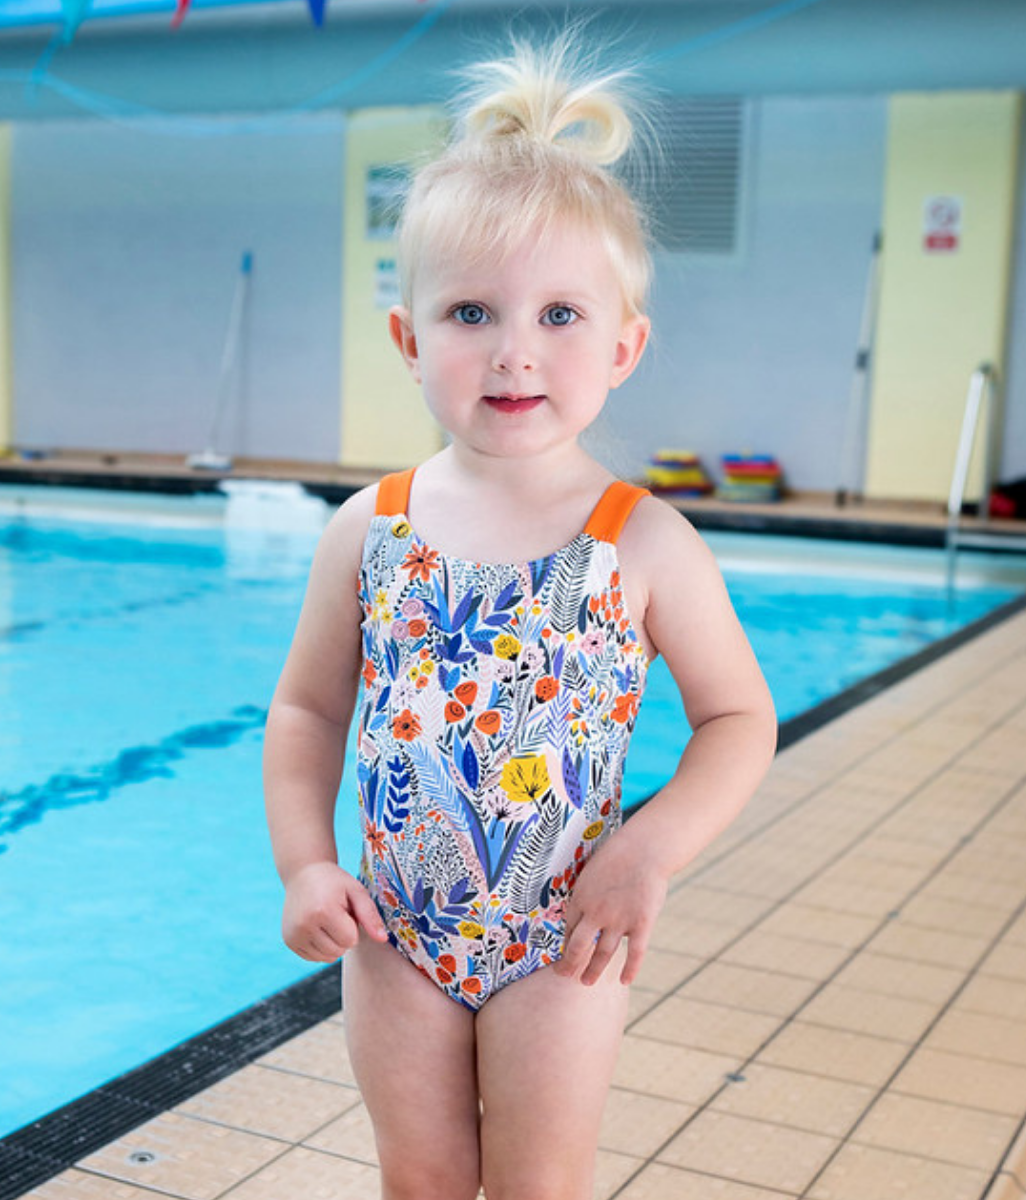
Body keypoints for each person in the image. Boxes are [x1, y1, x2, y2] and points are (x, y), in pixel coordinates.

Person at [263, 35, 776, 1200]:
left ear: (624, 346)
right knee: (422, 1183)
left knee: (542, 1188)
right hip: (395, 940)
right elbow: (304, 710)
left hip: (565, 940)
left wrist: (647, 855)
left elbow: (740, 715)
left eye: (558, 314)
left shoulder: (639, 541)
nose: (512, 350)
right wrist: (305, 863)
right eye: (469, 311)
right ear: (409, 341)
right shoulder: (369, 529)